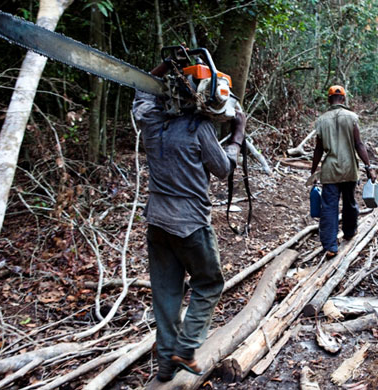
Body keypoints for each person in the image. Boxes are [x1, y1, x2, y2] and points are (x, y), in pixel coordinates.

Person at [132, 60, 245, 382]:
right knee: (209, 283)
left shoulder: (152, 122)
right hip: (190, 224)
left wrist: (164, 66)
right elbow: (223, 169)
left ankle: (166, 364)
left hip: (157, 221)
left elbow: (140, 92)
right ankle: (187, 346)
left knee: (166, 293)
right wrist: (237, 135)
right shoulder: (201, 130)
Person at [310, 85, 376, 257]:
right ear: (344, 99)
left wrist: (313, 170)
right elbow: (359, 144)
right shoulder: (352, 117)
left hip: (330, 170)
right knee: (350, 202)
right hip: (349, 169)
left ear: (328, 99)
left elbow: (318, 149)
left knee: (329, 207)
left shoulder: (321, 121)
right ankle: (349, 231)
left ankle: (330, 246)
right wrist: (369, 167)